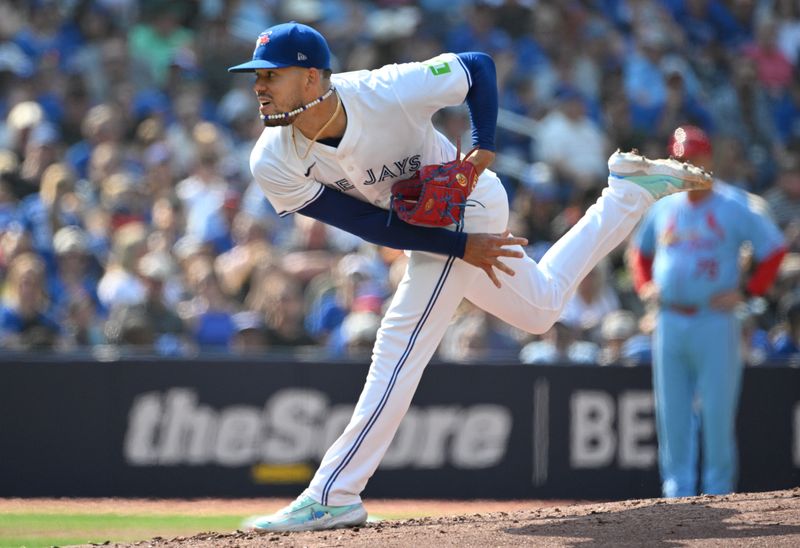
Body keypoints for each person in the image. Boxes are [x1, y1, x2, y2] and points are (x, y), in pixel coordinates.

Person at [231, 22, 712, 531]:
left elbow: (477, 67)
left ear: (311, 78)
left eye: (271, 75)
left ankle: (335, 492)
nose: (258, 86)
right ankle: (628, 192)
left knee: (401, 339)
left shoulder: (384, 90)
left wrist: (483, 147)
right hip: (438, 231)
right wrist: (462, 249)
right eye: (256, 76)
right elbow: (372, 225)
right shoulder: (272, 158)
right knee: (541, 309)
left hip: (471, 201)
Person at [630, 125, 786, 498]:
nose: (688, 166)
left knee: (716, 416)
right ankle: (677, 496)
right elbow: (640, 251)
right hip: (669, 319)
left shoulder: (733, 204)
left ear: (708, 158)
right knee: (672, 416)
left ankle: (717, 493)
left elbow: (774, 248)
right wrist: (644, 286)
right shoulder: (665, 205)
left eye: (694, 158)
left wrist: (748, 291)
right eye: (681, 160)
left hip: (714, 321)